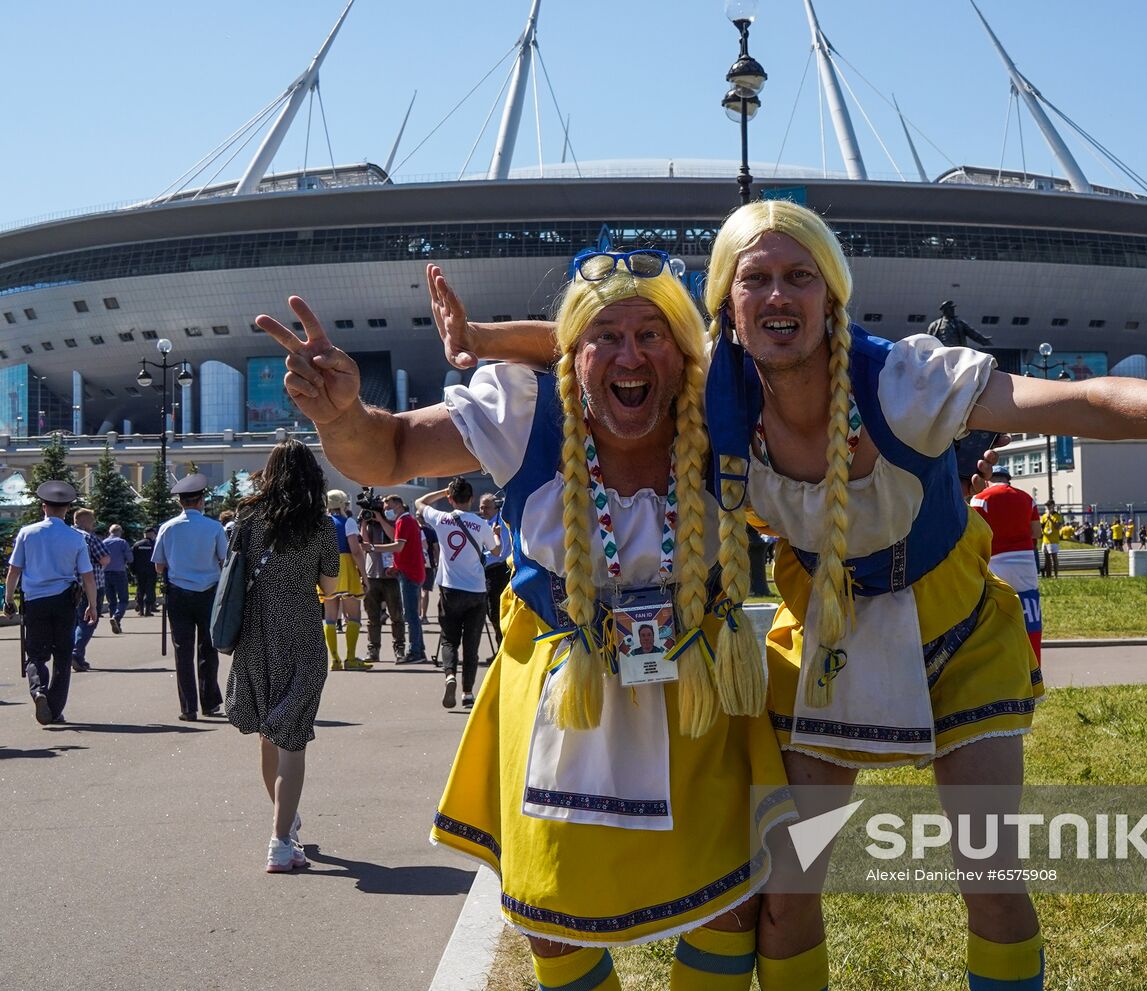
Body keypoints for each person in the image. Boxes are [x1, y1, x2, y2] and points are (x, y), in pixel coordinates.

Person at [692, 200, 1147, 991]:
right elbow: (585, 354)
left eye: (799, 276)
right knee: (784, 893)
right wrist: (485, 345)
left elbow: (1073, 400)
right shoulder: (708, 403)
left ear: (832, 297)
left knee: (991, 881)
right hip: (829, 645)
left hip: (959, 640)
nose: (777, 296)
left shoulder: (903, 380)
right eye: (755, 278)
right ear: (726, 306)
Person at [259, 250, 790, 989]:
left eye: (651, 334)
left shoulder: (724, 410)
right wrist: (343, 415)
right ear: (574, 354)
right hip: (564, 694)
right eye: (605, 335)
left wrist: (486, 332)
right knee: (552, 915)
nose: (630, 354)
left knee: (726, 903)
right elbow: (392, 449)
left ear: (684, 350)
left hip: (697, 687)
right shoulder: (527, 413)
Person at [223, 440, 341, 873]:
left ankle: (286, 824)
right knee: (293, 739)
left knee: (269, 736)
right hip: (302, 638)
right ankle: (279, 841)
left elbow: (232, 571)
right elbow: (329, 587)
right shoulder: (321, 526)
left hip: (254, 637)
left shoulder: (247, 519)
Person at [4, 481, 99, 725]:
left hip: (34, 601)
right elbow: (87, 575)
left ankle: (38, 691)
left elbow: (14, 570)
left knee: (35, 654)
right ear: (66, 509)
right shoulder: (76, 537)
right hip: (64, 601)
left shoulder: (27, 532)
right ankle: (55, 709)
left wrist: (8, 599)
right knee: (63, 654)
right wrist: (93, 604)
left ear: (43, 507)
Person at [416, 477, 498, 708]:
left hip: (450, 589)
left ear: (451, 499)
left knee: (449, 639)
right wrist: (498, 535)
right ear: (471, 499)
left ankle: (449, 674)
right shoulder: (481, 523)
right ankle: (467, 693)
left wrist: (443, 492)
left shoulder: (441, 518)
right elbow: (496, 549)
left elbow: (420, 502)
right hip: (476, 589)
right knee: (471, 644)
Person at [154, 473, 228, 721]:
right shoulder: (214, 527)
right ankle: (210, 702)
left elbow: (159, 566)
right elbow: (224, 560)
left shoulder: (167, 527)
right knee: (208, 648)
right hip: (208, 592)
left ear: (181, 503)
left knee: (182, 650)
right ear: (200, 501)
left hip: (178, 592)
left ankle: (188, 707)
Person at [970, 467, 1043, 661]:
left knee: (995, 613)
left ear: (988, 480)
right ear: (1008, 480)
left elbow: (974, 531)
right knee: (1030, 616)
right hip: (1025, 562)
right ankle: (1033, 666)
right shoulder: (1027, 498)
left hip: (995, 561)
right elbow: (1036, 532)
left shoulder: (981, 498)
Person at [368, 494, 428, 664]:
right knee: (412, 615)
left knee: (410, 616)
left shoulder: (404, 521)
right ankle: (418, 649)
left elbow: (398, 546)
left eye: (387, 505)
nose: (385, 509)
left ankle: (415, 652)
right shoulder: (407, 521)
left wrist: (372, 547)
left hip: (410, 574)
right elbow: (405, 546)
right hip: (410, 571)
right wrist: (396, 566)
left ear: (398, 505)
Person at [322, 490, 370, 670]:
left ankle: (334, 659)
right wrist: (364, 577)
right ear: (343, 504)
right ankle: (350, 658)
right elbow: (356, 551)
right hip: (346, 567)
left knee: (330, 617)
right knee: (354, 615)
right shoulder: (348, 522)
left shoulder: (321, 523)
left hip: (327, 570)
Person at [359, 502, 405, 663]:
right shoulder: (368, 525)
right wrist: (364, 522)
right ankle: (373, 650)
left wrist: (380, 519)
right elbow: (364, 544)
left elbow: (393, 536)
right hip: (372, 575)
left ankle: (399, 649)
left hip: (390, 576)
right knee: (372, 617)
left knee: (396, 615)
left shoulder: (392, 522)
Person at [70, 508, 110, 673]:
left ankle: (73, 655)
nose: (93, 525)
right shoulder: (89, 538)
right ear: (84, 521)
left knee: (74, 622)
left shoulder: (66, 536)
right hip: (91, 585)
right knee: (88, 621)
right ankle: (76, 653)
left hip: (70, 586)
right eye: (92, 521)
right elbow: (104, 558)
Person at [477, 492, 509, 645]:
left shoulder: (501, 522)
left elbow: (499, 552)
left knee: (496, 611)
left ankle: (503, 645)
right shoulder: (486, 524)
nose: (483, 511)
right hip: (488, 571)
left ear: (495, 507)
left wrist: (483, 558)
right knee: (492, 611)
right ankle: (500, 645)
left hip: (499, 570)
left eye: (487, 508)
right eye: (481, 508)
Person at [101, 523, 133, 633]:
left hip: (105, 573)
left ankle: (115, 622)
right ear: (120, 532)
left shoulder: (103, 542)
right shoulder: (122, 542)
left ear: (110, 532)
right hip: (119, 572)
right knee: (123, 599)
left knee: (111, 600)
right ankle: (117, 617)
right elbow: (130, 558)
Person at [131, 525, 159, 616]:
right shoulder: (155, 545)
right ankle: (148, 610)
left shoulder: (137, 545)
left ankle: (141, 610)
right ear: (152, 534)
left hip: (139, 571)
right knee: (150, 589)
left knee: (140, 589)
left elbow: (132, 559)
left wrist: (133, 570)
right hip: (152, 571)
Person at [1040, 499, 1063, 577]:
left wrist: (1051, 520)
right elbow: (1041, 527)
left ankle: (1056, 575)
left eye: (1049, 505)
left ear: (1053, 506)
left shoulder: (1057, 516)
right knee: (1047, 559)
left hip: (1053, 541)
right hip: (1045, 540)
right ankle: (1048, 575)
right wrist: (1042, 531)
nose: (1048, 507)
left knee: (1054, 558)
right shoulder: (1044, 516)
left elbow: (1058, 527)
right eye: (1047, 506)